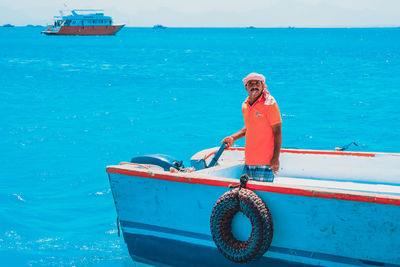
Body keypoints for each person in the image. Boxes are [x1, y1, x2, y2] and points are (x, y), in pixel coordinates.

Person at [222, 73, 282, 182]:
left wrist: (275, 158)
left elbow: (277, 132)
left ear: (263, 86)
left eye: (257, 83)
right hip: (249, 159)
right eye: (250, 84)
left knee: (262, 197)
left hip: (266, 161)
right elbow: (249, 126)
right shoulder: (245, 104)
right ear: (246, 87)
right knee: (249, 196)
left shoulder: (270, 104)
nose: (254, 86)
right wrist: (233, 138)